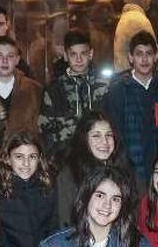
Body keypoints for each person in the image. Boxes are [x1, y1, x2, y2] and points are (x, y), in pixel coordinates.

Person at [102, 30, 158, 188]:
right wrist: (122, 169)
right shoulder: (118, 91)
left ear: (156, 56)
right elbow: (115, 135)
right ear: (131, 58)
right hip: (129, 175)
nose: (144, 59)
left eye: (149, 53)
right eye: (139, 54)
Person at [40, 29, 109, 161]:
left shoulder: (104, 87)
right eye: (73, 54)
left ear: (91, 54)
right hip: (64, 160)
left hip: (100, 158)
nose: (78, 59)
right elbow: (45, 130)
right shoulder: (55, 89)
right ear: (65, 56)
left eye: (83, 53)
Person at [56, 110, 133, 227]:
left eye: (109, 135)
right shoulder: (70, 174)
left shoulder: (124, 169)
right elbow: (65, 221)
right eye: (96, 135)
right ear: (84, 139)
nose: (105, 142)